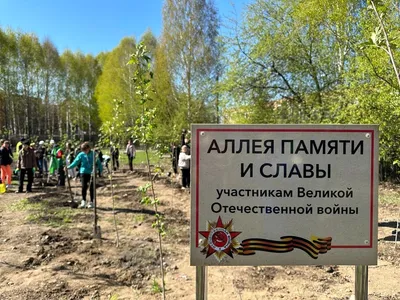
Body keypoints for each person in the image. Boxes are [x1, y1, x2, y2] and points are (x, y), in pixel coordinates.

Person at [66, 142, 102, 208]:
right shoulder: (81, 154)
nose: (85, 152)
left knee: (91, 187)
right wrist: (69, 167)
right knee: (84, 186)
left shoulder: (94, 154)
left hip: (92, 172)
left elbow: (98, 163)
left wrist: (100, 171)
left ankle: (91, 202)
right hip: (83, 172)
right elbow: (76, 162)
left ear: (89, 148)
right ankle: (83, 201)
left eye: (86, 150)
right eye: (83, 150)